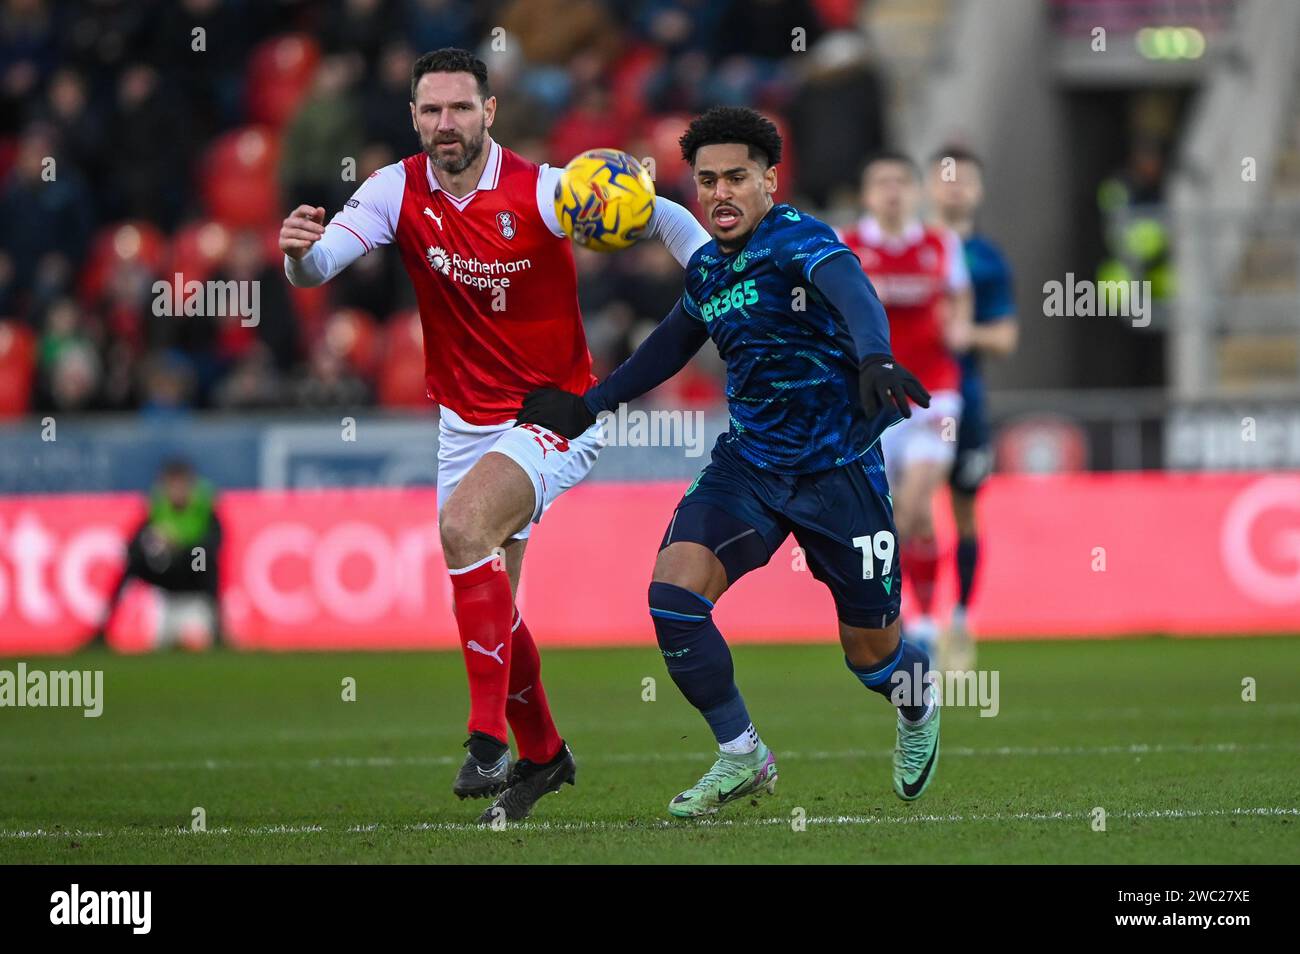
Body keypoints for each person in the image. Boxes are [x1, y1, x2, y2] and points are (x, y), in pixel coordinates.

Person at [279, 48, 708, 823]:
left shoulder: (544, 191)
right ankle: (544, 755)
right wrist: (302, 260)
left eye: (462, 108)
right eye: (432, 110)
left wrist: (712, 273)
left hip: (554, 414)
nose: (448, 123)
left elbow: (662, 212)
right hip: (464, 422)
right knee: (491, 603)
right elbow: (321, 267)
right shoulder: (394, 190)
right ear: (414, 117)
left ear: (490, 113)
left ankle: (485, 743)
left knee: (462, 525)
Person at [518, 107, 939, 817]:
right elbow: (670, 346)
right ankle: (742, 753)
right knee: (674, 599)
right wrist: (587, 405)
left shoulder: (797, 239)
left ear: (769, 181)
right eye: (707, 180)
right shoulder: (710, 268)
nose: (720, 193)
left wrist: (874, 356)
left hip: (840, 471)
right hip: (750, 467)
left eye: (736, 178)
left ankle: (918, 707)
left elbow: (852, 288)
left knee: (874, 660)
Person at [840, 151, 972, 660]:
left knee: (916, 503)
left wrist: (959, 323)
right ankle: (916, 619)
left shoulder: (941, 244)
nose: (892, 191)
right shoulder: (847, 246)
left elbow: (959, 297)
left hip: (936, 393)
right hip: (873, 398)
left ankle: (896, 617)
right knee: (904, 517)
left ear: (915, 191)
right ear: (868, 194)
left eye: (900, 181)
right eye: (882, 182)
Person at [928, 146, 1017, 670]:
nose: (955, 187)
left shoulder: (987, 259)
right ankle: (906, 620)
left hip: (966, 400)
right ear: (928, 186)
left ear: (978, 191)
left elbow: (1005, 337)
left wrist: (966, 333)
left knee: (962, 509)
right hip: (903, 400)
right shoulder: (911, 249)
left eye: (965, 179)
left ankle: (959, 618)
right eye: (946, 178)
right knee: (900, 510)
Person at [90, 458, 222, 648]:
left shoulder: (204, 508)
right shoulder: (158, 507)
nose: (177, 490)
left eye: (181, 484)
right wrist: (155, 543)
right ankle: (104, 629)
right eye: (172, 484)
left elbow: (214, 545)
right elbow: (133, 546)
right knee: (135, 562)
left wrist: (181, 546)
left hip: (194, 582)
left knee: (204, 560)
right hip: (167, 586)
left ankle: (218, 628)